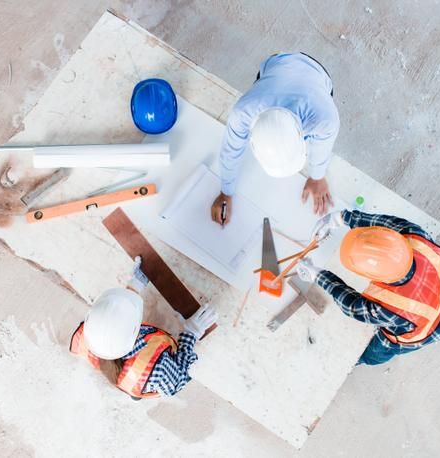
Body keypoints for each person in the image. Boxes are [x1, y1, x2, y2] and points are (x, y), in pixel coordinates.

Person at [296, 210, 440, 365]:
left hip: (423, 332)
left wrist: (317, 275)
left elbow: (351, 306)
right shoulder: (415, 236)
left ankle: (360, 360)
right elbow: (384, 223)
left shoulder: (391, 308)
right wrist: (339, 218)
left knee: (376, 352)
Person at [210, 52, 340, 225]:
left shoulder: (324, 117)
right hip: (276, 64)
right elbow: (231, 151)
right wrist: (226, 192)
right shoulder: (244, 111)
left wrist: (317, 177)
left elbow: (321, 149)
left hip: (318, 74)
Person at [69, 257, 218, 398]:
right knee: (161, 379)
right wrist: (191, 333)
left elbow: (117, 316)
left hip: (125, 374)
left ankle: (134, 392)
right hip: (141, 379)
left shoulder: (95, 331)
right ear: (134, 331)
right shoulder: (159, 370)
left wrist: (135, 284)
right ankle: (137, 393)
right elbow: (178, 380)